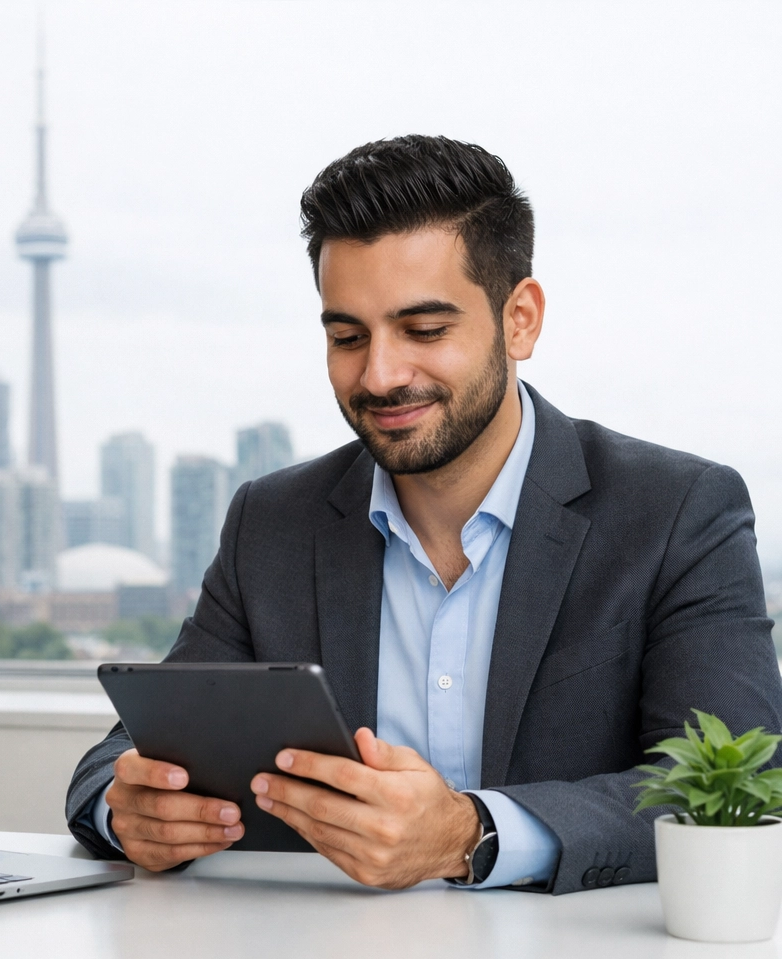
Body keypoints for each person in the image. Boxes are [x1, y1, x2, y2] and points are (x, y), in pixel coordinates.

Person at [67, 135, 782, 893]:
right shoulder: (271, 523)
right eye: (347, 337)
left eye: (425, 330)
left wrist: (474, 833)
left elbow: (741, 791)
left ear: (520, 320)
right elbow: (117, 760)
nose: (379, 375)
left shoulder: (676, 512)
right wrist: (128, 809)